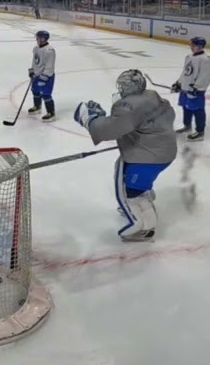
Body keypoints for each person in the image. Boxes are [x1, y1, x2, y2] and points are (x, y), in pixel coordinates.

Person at [73, 69, 177, 242]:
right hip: (163, 149)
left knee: (132, 192)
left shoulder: (128, 106)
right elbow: (168, 114)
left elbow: (108, 130)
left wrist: (90, 119)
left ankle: (144, 228)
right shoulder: (152, 95)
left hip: (148, 157)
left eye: (124, 85)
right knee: (124, 171)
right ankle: (145, 195)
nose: (121, 88)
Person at [171, 36, 210, 141]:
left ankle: (200, 131)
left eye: (193, 45)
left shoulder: (206, 59)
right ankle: (187, 125)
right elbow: (185, 73)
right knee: (186, 107)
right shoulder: (189, 57)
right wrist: (178, 83)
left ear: (199, 46)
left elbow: (205, 76)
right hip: (185, 88)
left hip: (196, 90)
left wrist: (197, 88)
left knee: (198, 109)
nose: (191, 47)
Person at [27, 30, 57, 121]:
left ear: (45, 39)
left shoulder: (49, 50)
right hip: (36, 75)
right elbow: (35, 61)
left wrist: (44, 78)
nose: (39, 39)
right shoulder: (36, 48)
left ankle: (51, 113)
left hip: (47, 77)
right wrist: (32, 70)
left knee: (46, 95)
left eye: (41, 38)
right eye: (38, 37)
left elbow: (50, 66)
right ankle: (37, 106)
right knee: (35, 91)